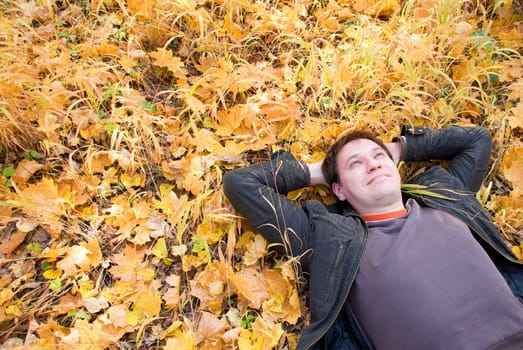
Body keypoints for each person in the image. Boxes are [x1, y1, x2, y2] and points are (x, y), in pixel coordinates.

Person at [223, 125, 523, 350]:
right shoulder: (328, 241)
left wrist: (399, 150)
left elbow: (477, 140)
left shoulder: (445, 194)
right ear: (338, 189)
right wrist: (318, 172)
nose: (373, 164)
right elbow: (241, 183)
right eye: (355, 163)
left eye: (378, 157)